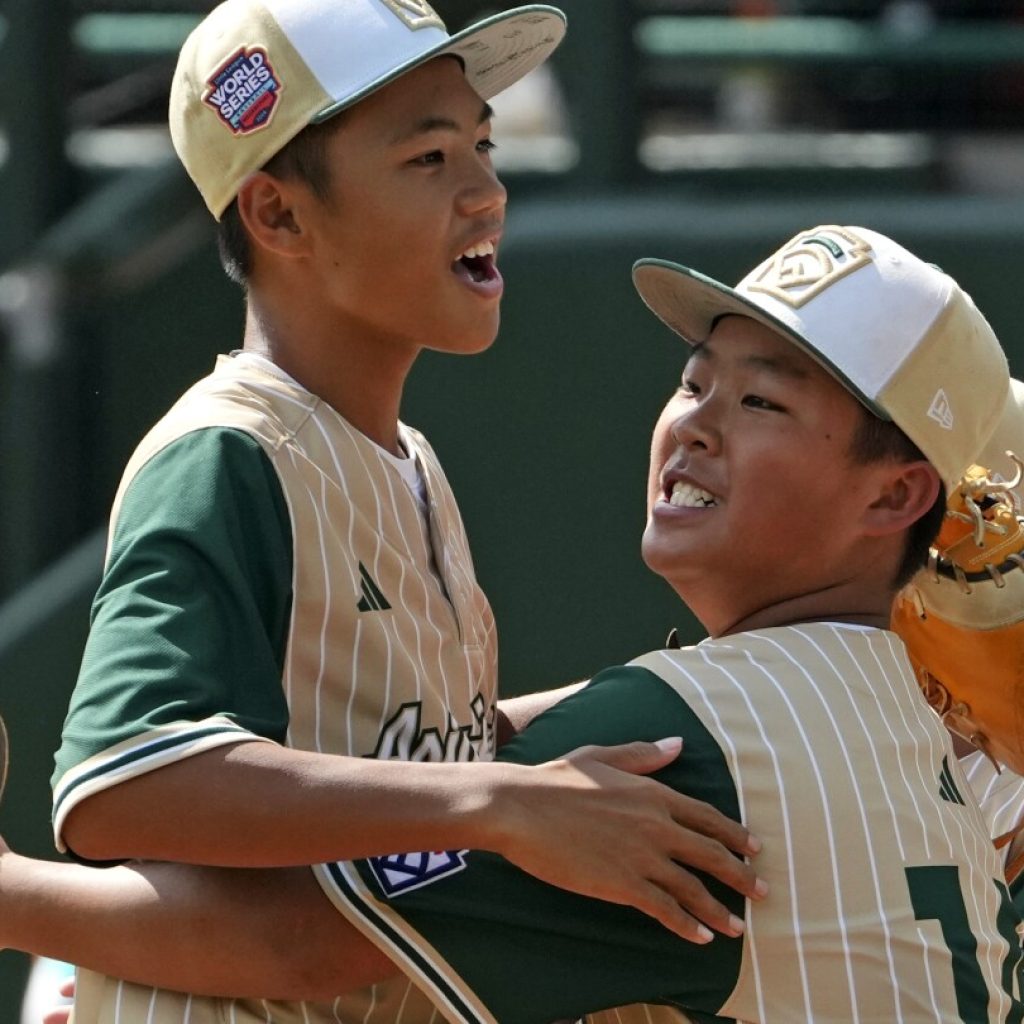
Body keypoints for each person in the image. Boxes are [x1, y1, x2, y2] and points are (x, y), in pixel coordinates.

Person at [0, 224, 1020, 1023]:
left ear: (894, 499)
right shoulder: (906, 722)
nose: (695, 423)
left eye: (762, 402)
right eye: (694, 380)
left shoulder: (696, 735)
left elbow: (296, 951)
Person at [34, 0, 765, 1022]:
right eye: (428, 158)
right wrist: (502, 802)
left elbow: (402, 751)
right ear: (279, 215)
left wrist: (660, 696)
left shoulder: (407, 457)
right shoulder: (230, 453)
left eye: (482, 143)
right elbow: (127, 782)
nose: (486, 191)